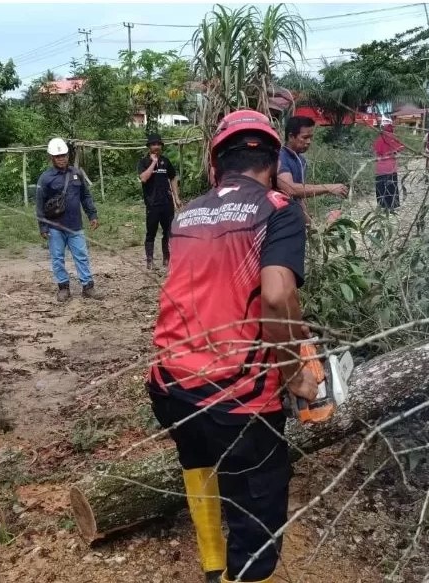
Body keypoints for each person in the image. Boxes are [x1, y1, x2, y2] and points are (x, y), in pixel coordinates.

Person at [147, 109, 318, 583]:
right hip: (238, 397)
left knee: (199, 460)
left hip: (169, 382)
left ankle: (212, 566)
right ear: (274, 157)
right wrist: (296, 374)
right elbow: (278, 294)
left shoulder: (189, 213)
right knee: (257, 513)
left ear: (215, 162)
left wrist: (296, 333)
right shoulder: (276, 209)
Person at [36, 137, 102, 302]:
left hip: (75, 226)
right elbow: (39, 204)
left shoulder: (76, 174)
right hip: (55, 227)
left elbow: (85, 196)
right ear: (52, 158)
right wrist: (43, 227)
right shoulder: (45, 178)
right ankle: (63, 288)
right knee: (57, 258)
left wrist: (92, 215)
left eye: (64, 155)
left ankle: (88, 287)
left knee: (81, 255)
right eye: (58, 156)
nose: (62, 158)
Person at [276, 116, 348, 222]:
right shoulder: (280, 158)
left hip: (293, 218)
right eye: (305, 137)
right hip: (279, 219)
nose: (309, 141)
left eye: (310, 137)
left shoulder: (301, 161)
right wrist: (328, 188)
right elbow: (290, 189)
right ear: (291, 136)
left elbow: (299, 197)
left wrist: (310, 224)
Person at [138, 133, 181, 270]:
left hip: (166, 203)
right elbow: (144, 178)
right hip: (152, 203)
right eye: (153, 144)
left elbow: (173, 177)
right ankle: (149, 261)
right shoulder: (143, 162)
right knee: (151, 232)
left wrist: (176, 197)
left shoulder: (166, 161)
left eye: (158, 144)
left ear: (161, 146)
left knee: (168, 232)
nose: (156, 147)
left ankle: (166, 259)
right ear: (149, 146)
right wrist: (154, 163)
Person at [372, 120, 406, 212]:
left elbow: (375, 152)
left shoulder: (380, 139)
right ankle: (392, 206)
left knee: (381, 187)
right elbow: (400, 148)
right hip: (391, 167)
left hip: (380, 168)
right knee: (392, 186)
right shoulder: (393, 138)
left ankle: (382, 206)